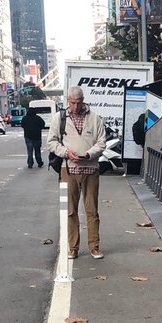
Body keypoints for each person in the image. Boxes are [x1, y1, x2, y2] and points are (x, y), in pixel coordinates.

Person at [49, 86, 107, 259]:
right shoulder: (59, 118)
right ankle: (73, 247)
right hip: (68, 169)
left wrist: (89, 154)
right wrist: (67, 153)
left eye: (79, 102)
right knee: (70, 210)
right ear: (68, 100)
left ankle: (94, 246)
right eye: (73, 102)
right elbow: (52, 142)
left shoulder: (95, 118)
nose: (76, 106)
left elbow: (101, 142)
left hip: (91, 169)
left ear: (83, 100)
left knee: (92, 210)